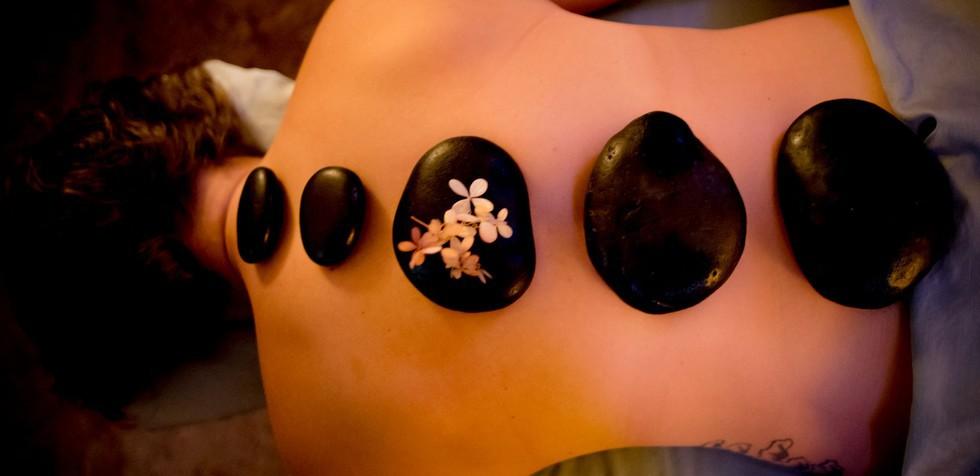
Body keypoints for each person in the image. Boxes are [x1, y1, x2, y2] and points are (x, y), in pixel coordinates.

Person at [4, 0, 913, 473]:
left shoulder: (328, 456)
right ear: (202, 95)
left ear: (176, 377)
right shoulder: (376, 20)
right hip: (935, 74)